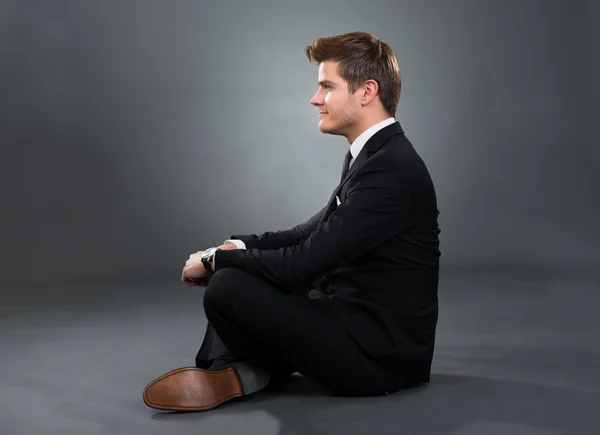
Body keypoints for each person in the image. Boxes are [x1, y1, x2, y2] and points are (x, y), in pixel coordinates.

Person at [142, 31, 441, 412]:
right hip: (351, 324)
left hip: (380, 361)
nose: (315, 99)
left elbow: (303, 262)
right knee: (239, 269)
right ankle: (239, 370)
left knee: (228, 285)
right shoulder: (372, 156)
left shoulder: (391, 170)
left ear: (366, 92)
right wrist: (238, 246)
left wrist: (216, 261)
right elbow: (311, 231)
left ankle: (242, 371)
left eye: (327, 87)